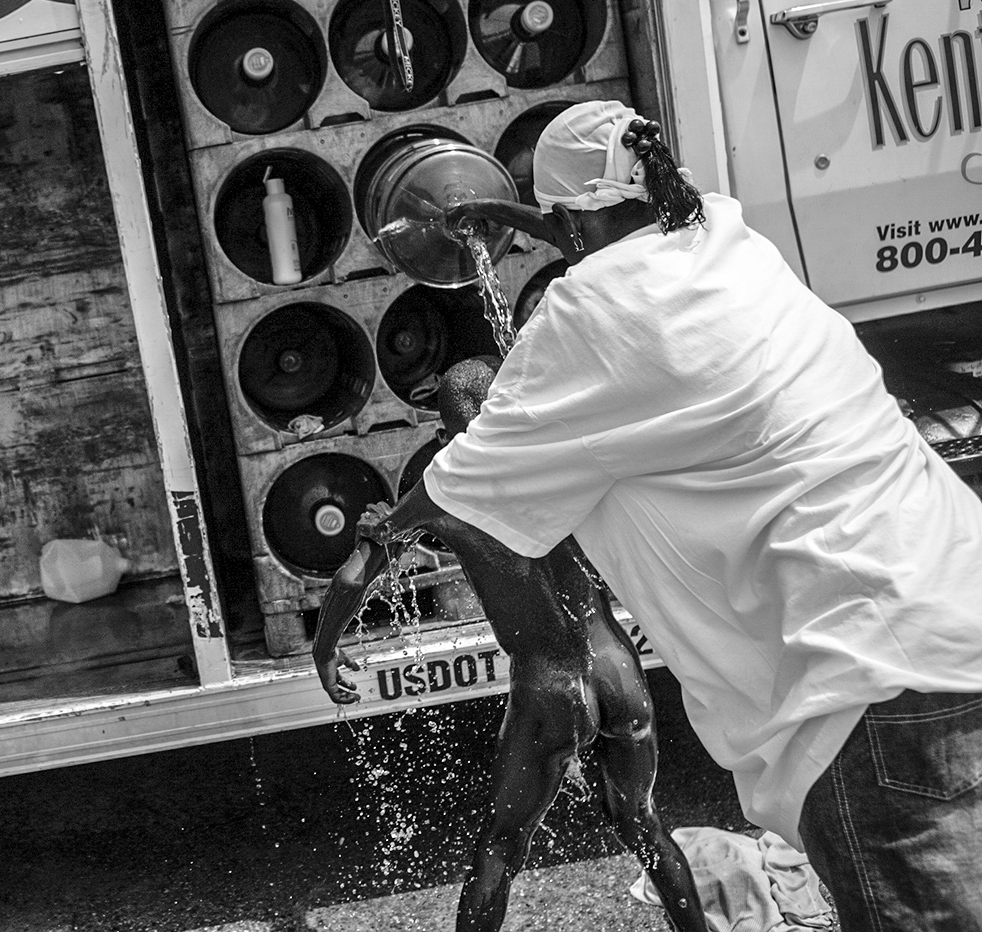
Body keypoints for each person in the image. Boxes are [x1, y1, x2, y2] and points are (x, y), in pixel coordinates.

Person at [320, 100, 982, 929]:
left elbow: (446, 493)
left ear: (567, 215)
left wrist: (333, 620)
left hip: (862, 678)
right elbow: (608, 233)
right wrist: (511, 214)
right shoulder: (728, 240)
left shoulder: (583, 319)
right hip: (954, 609)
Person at [314, 356, 708, 932]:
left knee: (499, 850)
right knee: (643, 823)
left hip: (551, 690)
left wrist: (325, 651)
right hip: (618, 672)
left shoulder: (442, 487)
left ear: (445, 432)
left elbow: (355, 575)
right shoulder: (568, 449)